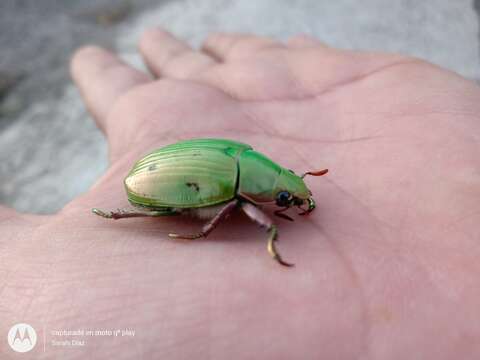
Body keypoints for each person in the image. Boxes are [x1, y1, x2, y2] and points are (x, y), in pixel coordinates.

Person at [2, 29, 479, 358]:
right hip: (160, 184)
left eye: (289, 195)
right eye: (287, 196)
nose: (289, 198)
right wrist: (267, 230)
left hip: (192, 168)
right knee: (203, 209)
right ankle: (125, 219)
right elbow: (246, 203)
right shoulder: (234, 189)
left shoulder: (252, 165)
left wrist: (291, 193)